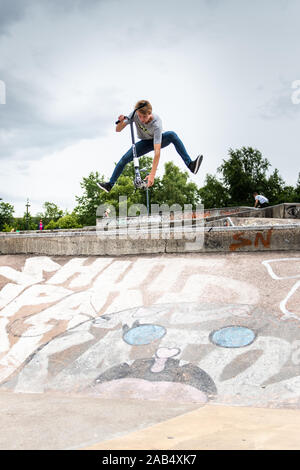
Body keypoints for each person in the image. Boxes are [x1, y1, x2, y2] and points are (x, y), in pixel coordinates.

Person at [97, 99, 203, 192]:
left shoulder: (157, 123)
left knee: (172, 135)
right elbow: (118, 130)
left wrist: (152, 174)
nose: (142, 119)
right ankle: (109, 185)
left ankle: (190, 165)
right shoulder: (134, 114)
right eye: (140, 116)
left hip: (158, 141)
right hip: (144, 143)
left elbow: (157, 152)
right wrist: (121, 122)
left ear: (150, 113)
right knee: (124, 159)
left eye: (144, 117)